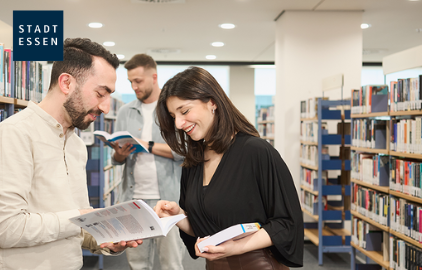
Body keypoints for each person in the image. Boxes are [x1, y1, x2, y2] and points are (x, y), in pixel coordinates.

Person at [0, 38, 141, 269]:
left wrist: (105, 240)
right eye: (100, 93)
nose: (106, 107)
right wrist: (80, 217)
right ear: (66, 83)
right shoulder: (14, 134)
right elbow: (5, 228)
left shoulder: (75, 144)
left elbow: (76, 227)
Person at [152, 67, 303, 269]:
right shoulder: (193, 161)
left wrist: (237, 247)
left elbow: (287, 223)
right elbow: (202, 228)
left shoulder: (256, 152)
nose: (178, 123)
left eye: (185, 111)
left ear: (212, 102)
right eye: (173, 116)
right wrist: (178, 215)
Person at [110, 53, 186, 270]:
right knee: (137, 263)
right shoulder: (125, 111)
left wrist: (147, 145)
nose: (134, 86)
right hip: (134, 199)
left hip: (168, 200)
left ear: (154, 77)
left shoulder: (172, 111)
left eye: (138, 81)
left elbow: (184, 152)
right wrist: (120, 154)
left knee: (171, 263)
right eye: (130, 82)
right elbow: (116, 160)